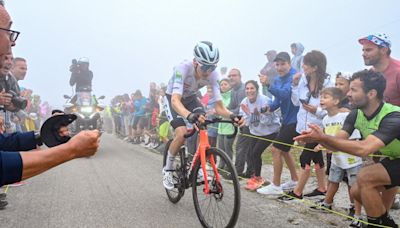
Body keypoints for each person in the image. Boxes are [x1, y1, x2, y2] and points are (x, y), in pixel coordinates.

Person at [0, 1, 100, 188]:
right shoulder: (76, 73)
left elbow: (2, 143)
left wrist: (44, 134)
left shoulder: (90, 74)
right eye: (8, 31)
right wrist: (70, 150)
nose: (13, 42)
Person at [294, 70, 399, 227]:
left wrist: (324, 138)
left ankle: (377, 224)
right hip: (393, 159)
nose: (348, 93)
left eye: (354, 90)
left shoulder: (393, 116)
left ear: (371, 93)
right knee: (357, 191)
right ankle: (384, 222)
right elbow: (337, 142)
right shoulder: (356, 114)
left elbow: (364, 149)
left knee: (365, 176)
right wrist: (317, 138)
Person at [162, 41, 244, 190]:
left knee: (203, 123)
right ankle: (168, 169)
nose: (208, 71)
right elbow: (175, 100)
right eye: (205, 66)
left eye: (212, 67)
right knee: (181, 133)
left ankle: (198, 165)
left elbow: (219, 107)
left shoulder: (213, 75)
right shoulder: (182, 69)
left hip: (191, 98)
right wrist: (188, 115)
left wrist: (232, 115)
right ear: (195, 62)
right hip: (173, 98)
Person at [279, 50, 334, 201]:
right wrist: (295, 85)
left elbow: (332, 108)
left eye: (306, 64)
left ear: (315, 67)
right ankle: (322, 188)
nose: (302, 66)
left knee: (305, 158)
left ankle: (297, 192)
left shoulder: (329, 83)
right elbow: (297, 102)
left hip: (318, 128)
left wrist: (316, 110)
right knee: (317, 158)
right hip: (303, 124)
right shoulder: (303, 79)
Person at [308, 87, 363, 228]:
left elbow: (355, 137)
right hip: (336, 158)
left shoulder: (346, 116)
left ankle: (357, 215)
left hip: (352, 158)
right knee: (333, 181)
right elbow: (327, 137)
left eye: (325, 97)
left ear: (336, 101)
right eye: (321, 97)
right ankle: (327, 204)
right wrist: (322, 145)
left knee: (354, 186)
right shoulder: (326, 119)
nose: (321, 99)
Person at [359, 33, 400, 210]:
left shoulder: (398, 72)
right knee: (365, 184)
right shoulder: (370, 75)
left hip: (396, 134)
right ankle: (383, 213)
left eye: (368, 49)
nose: (363, 53)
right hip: (378, 132)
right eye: (363, 49)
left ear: (383, 49)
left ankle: (383, 215)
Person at [256, 52, 300, 196]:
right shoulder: (278, 79)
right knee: (285, 151)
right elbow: (277, 101)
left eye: (283, 64)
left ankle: (275, 185)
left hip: (296, 119)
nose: (280, 67)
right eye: (277, 64)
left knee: (275, 149)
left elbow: (286, 94)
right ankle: (294, 180)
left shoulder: (294, 76)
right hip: (287, 119)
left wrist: (268, 84)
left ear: (289, 63)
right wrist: (267, 108)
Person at [240, 80, 280, 191]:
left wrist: (257, 115)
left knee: (256, 153)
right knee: (250, 154)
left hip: (270, 131)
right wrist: (249, 114)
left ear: (257, 90)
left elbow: (268, 121)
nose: (249, 91)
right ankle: (255, 176)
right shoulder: (244, 101)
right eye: (247, 88)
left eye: (252, 88)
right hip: (256, 131)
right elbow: (247, 122)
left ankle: (258, 178)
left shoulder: (265, 101)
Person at [226, 68, 250, 177]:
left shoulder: (242, 90)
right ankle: (248, 172)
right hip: (241, 122)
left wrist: (226, 112)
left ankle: (237, 172)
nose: (231, 78)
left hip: (248, 122)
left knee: (241, 148)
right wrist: (223, 109)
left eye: (234, 75)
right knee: (245, 148)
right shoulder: (233, 90)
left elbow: (240, 109)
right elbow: (231, 106)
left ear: (240, 77)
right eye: (230, 76)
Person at [217, 78, 234, 170]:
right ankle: (221, 165)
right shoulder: (219, 97)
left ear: (230, 85)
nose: (223, 86)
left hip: (230, 127)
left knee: (228, 149)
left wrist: (221, 111)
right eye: (221, 84)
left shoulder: (232, 95)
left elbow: (228, 110)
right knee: (220, 148)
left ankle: (229, 166)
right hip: (221, 127)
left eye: (225, 84)